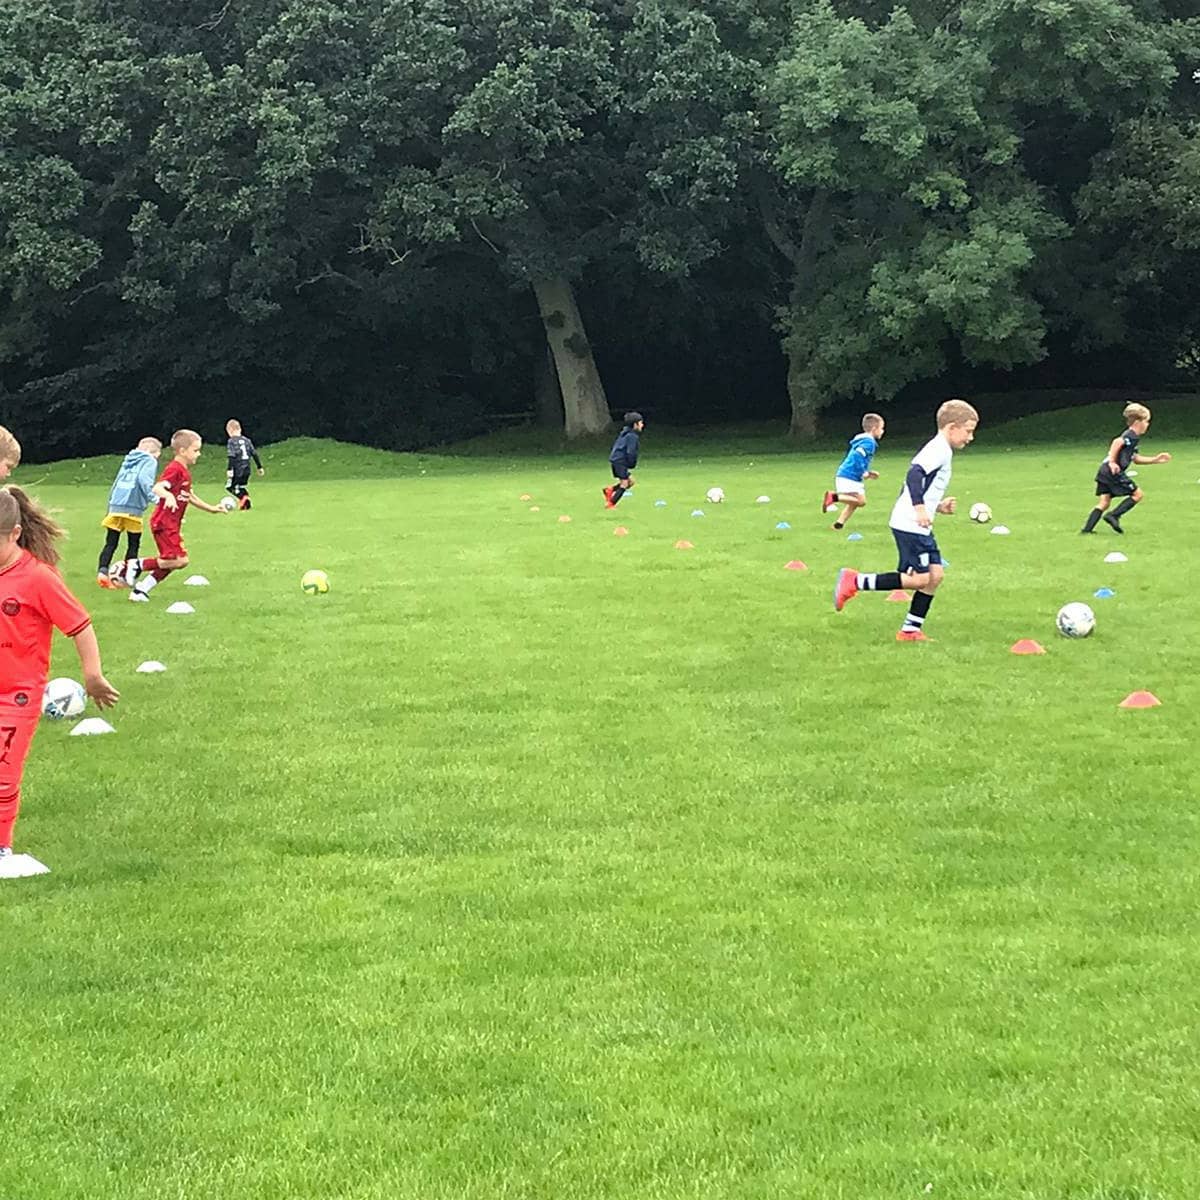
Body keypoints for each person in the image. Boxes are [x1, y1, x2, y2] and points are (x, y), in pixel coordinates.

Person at [0, 486, 119, 861]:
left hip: (17, 694)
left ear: (15, 534)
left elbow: (79, 625)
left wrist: (93, 675)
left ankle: (2, 848)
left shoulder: (38, 578)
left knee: (3, 775)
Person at [832, 399, 979, 642]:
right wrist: (920, 508)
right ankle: (855, 580)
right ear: (952, 427)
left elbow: (919, 484)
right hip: (910, 524)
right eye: (969, 431)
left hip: (917, 523)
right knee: (920, 579)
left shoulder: (942, 449)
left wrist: (936, 506)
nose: (970, 437)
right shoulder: (938, 449)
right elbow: (914, 475)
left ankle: (910, 630)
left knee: (936, 575)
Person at [125, 429, 226, 602]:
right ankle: (138, 564)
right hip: (164, 523)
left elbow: (190, 497)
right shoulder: (174, 469)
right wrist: (169, 496)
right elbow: (157, 488)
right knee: (181, 561)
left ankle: (141, 590)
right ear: (182, 451)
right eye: (195, 450)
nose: (199, 454)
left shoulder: (184, 471)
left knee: (171, 561)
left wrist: (212, 509)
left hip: (171, 524)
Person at [1080, 402, 1171, 534]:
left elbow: (1136, 459)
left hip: (1104, 471)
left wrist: (1156, 459)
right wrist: (1112, 462)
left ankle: (1087, 530)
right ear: (1137, 421)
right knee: (1138, 494)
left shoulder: (1134, 439)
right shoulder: (1131, 435)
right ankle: (1114, 516)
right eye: (1146, 421)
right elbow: (1117, 442)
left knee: (1104, 502)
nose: (1147, 424)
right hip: (1112, 471)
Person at [96, 436, 162, 588]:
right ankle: (127, 575)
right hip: (133, 508)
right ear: (156, 453)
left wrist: (110, 504)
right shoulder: (150, 461)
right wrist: (156, 499)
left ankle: (102, 571)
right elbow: (144, 481)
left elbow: (117, 480)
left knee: (111, 542)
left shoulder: (129, 459)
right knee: (133, 543)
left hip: (116, 506)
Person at [823, 413, 885, 530]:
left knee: (855, 502)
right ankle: (833, 497)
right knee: (860, 502)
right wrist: (864, 473)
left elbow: (859, 458)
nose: (882, 431)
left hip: (848, 474)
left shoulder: (863, 440)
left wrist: (868, 472)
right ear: (874, 429)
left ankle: (838, 524)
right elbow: (857, 456)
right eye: (881, 428)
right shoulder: (869, 442)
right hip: (849, 475)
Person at [604, 412, 644, 508]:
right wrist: (631, 463)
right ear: (635, 425)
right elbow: (631, 452)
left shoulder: (625, 433)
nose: (642, 425)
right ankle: (611, 504)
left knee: (631, 481)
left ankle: (610, 490)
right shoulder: (632, 436)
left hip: (616, 460)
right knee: (625, 483)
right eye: (641, 423)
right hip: (619, 461)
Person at [225, 419, 265, 510]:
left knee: (230, 486)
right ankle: (246, 505)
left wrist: (229, 469)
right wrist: (259, 467)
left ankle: (244, 498)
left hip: (237, 469)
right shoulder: (247, 440)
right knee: (241, 486)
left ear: (230, 430)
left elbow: (232, 455)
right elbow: (254, 453)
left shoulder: (231, 441)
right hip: (247, 468)